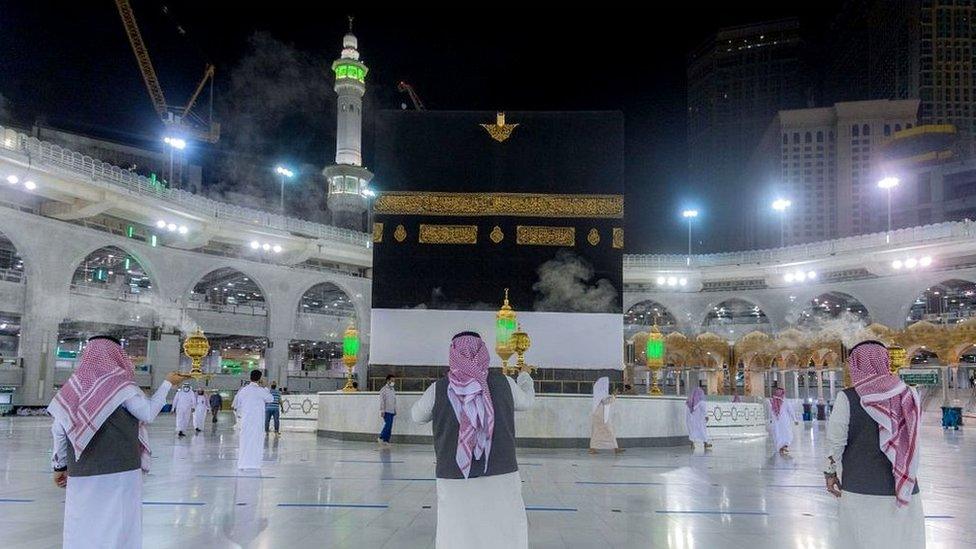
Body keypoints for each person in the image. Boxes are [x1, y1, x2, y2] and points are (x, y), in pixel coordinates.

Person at [48, 336, 185, 549]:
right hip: (122, 471)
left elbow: (58, 429)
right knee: (120, 525)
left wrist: (59, 466)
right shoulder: (121, 387)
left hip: (81, 471)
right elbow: (147, 413)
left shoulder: (72, 387)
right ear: (116, 355)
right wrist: (167, 383)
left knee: (82, 524)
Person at [411, 332, 535, 549]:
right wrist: (525, 376)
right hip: (501, 470)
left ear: (453, 353)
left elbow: (416, 416)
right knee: (504, 527)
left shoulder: (439, 388)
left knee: (457, 529)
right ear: (483, 351)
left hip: (454, 473)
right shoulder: (504, 382)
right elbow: (527, 402)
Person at [824, 341, 924, 549]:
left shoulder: (848, 398)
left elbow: (835, 442)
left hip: (860, 490)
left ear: (856, 364)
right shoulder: (909, 394)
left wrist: (830, 473)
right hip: (903, 488)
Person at [232, 370, 273, 470]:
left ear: (250, 377)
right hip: (257, 420)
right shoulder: (261, 390)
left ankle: (243, 463)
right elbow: (270, 399)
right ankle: (254, 464)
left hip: (246, 420)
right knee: (256, 441)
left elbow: (238, 403)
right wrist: (265, 387)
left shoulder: (244, 390)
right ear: (259, 378)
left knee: (245, 441)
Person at [589, 377, 622, 454]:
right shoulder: (601, 392)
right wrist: (614, 395)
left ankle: (593, 448)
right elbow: (606, 401)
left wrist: (613, 395)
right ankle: (615, 448)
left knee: (596, 432)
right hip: (601, 415)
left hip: (598, 414)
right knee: (609, 430)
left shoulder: (598, 392)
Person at [768, 387, 798, 455]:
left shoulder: (784, 401)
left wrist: (795, 419)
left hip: (782, 421)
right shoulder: (773, 401)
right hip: (778, 421)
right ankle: (782, 447)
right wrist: (795, 419)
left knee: (784, 433)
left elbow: (790, 411)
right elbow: (771, 411)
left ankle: (784, 446)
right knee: (779, 434)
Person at [378, 374, 396, 446]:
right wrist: (382, 410)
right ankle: (381, 437)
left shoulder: (392, 389)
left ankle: (386, 440)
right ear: (388, 380)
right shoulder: (383, 390)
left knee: (390, 426)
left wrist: (395, 409)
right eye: (392, 381)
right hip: (386, 410)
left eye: (394, 381)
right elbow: (382, 401)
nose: (393, 382)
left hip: (392, 410)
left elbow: (394, 400)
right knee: (387, 425)